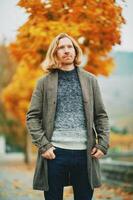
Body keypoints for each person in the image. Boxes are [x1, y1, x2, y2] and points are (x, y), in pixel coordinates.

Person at [26, 33, 110, 200]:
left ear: (75, 51)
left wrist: (103, 144)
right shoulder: (44, 82)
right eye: (61, 48)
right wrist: (44, 146)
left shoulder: (90, 80)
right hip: (55, 153)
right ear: (55, 53)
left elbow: (101, 116)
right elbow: (32, 117)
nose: (66, 51)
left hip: (85, 154)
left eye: (69, 46)